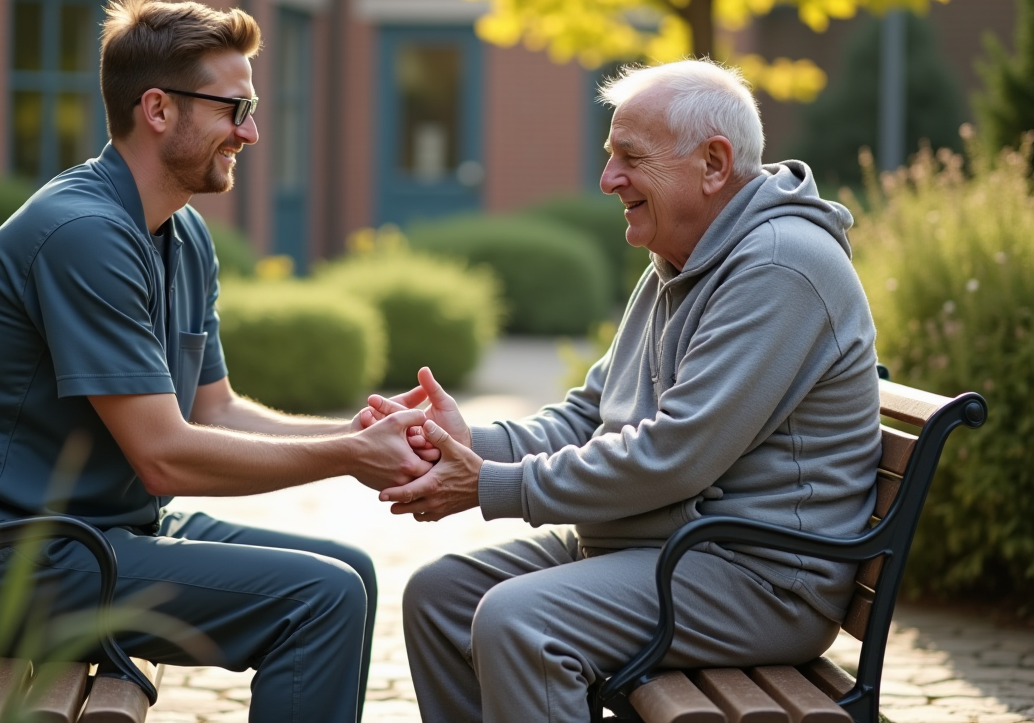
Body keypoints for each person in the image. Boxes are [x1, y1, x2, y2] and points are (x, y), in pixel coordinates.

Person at [0, 0, 430, 723]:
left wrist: (354, 433)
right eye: (235, 110)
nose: (250, 135)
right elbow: (166, 458)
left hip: (99, 533)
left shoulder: (179, 235)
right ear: (158, 110)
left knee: (349, 570)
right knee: (321, 599)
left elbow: (213, 410)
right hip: (16, 561)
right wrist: (349, 459)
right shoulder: (83, 235)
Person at [365, 59, 882, 723]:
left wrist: (493, 484)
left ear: (714, 164)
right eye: (610, 157)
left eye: (629, 159)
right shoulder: (682, 258)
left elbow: (676, 453)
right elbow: (591, 413)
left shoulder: (780, 267)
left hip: (758, 579)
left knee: (520, 621)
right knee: (441, 597)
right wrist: (464, 444)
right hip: (668, 549)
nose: (608, 180)